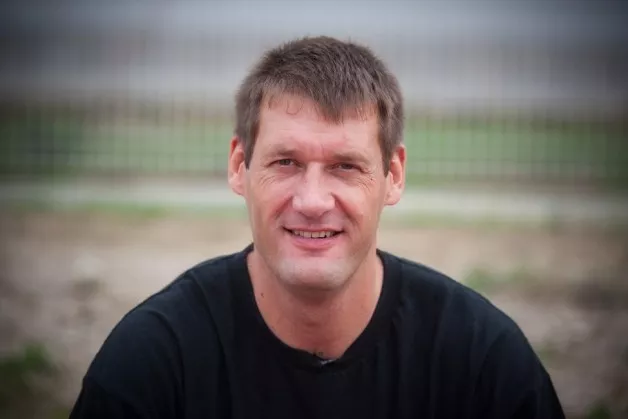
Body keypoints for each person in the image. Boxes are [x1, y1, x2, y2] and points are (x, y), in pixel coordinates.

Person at [69, 36, 565, 419]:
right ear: (239, 166)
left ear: (393, 176)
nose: (311, 201)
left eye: (346, 166)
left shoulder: (482, 361)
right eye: (285, 162)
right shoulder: (153, 362)